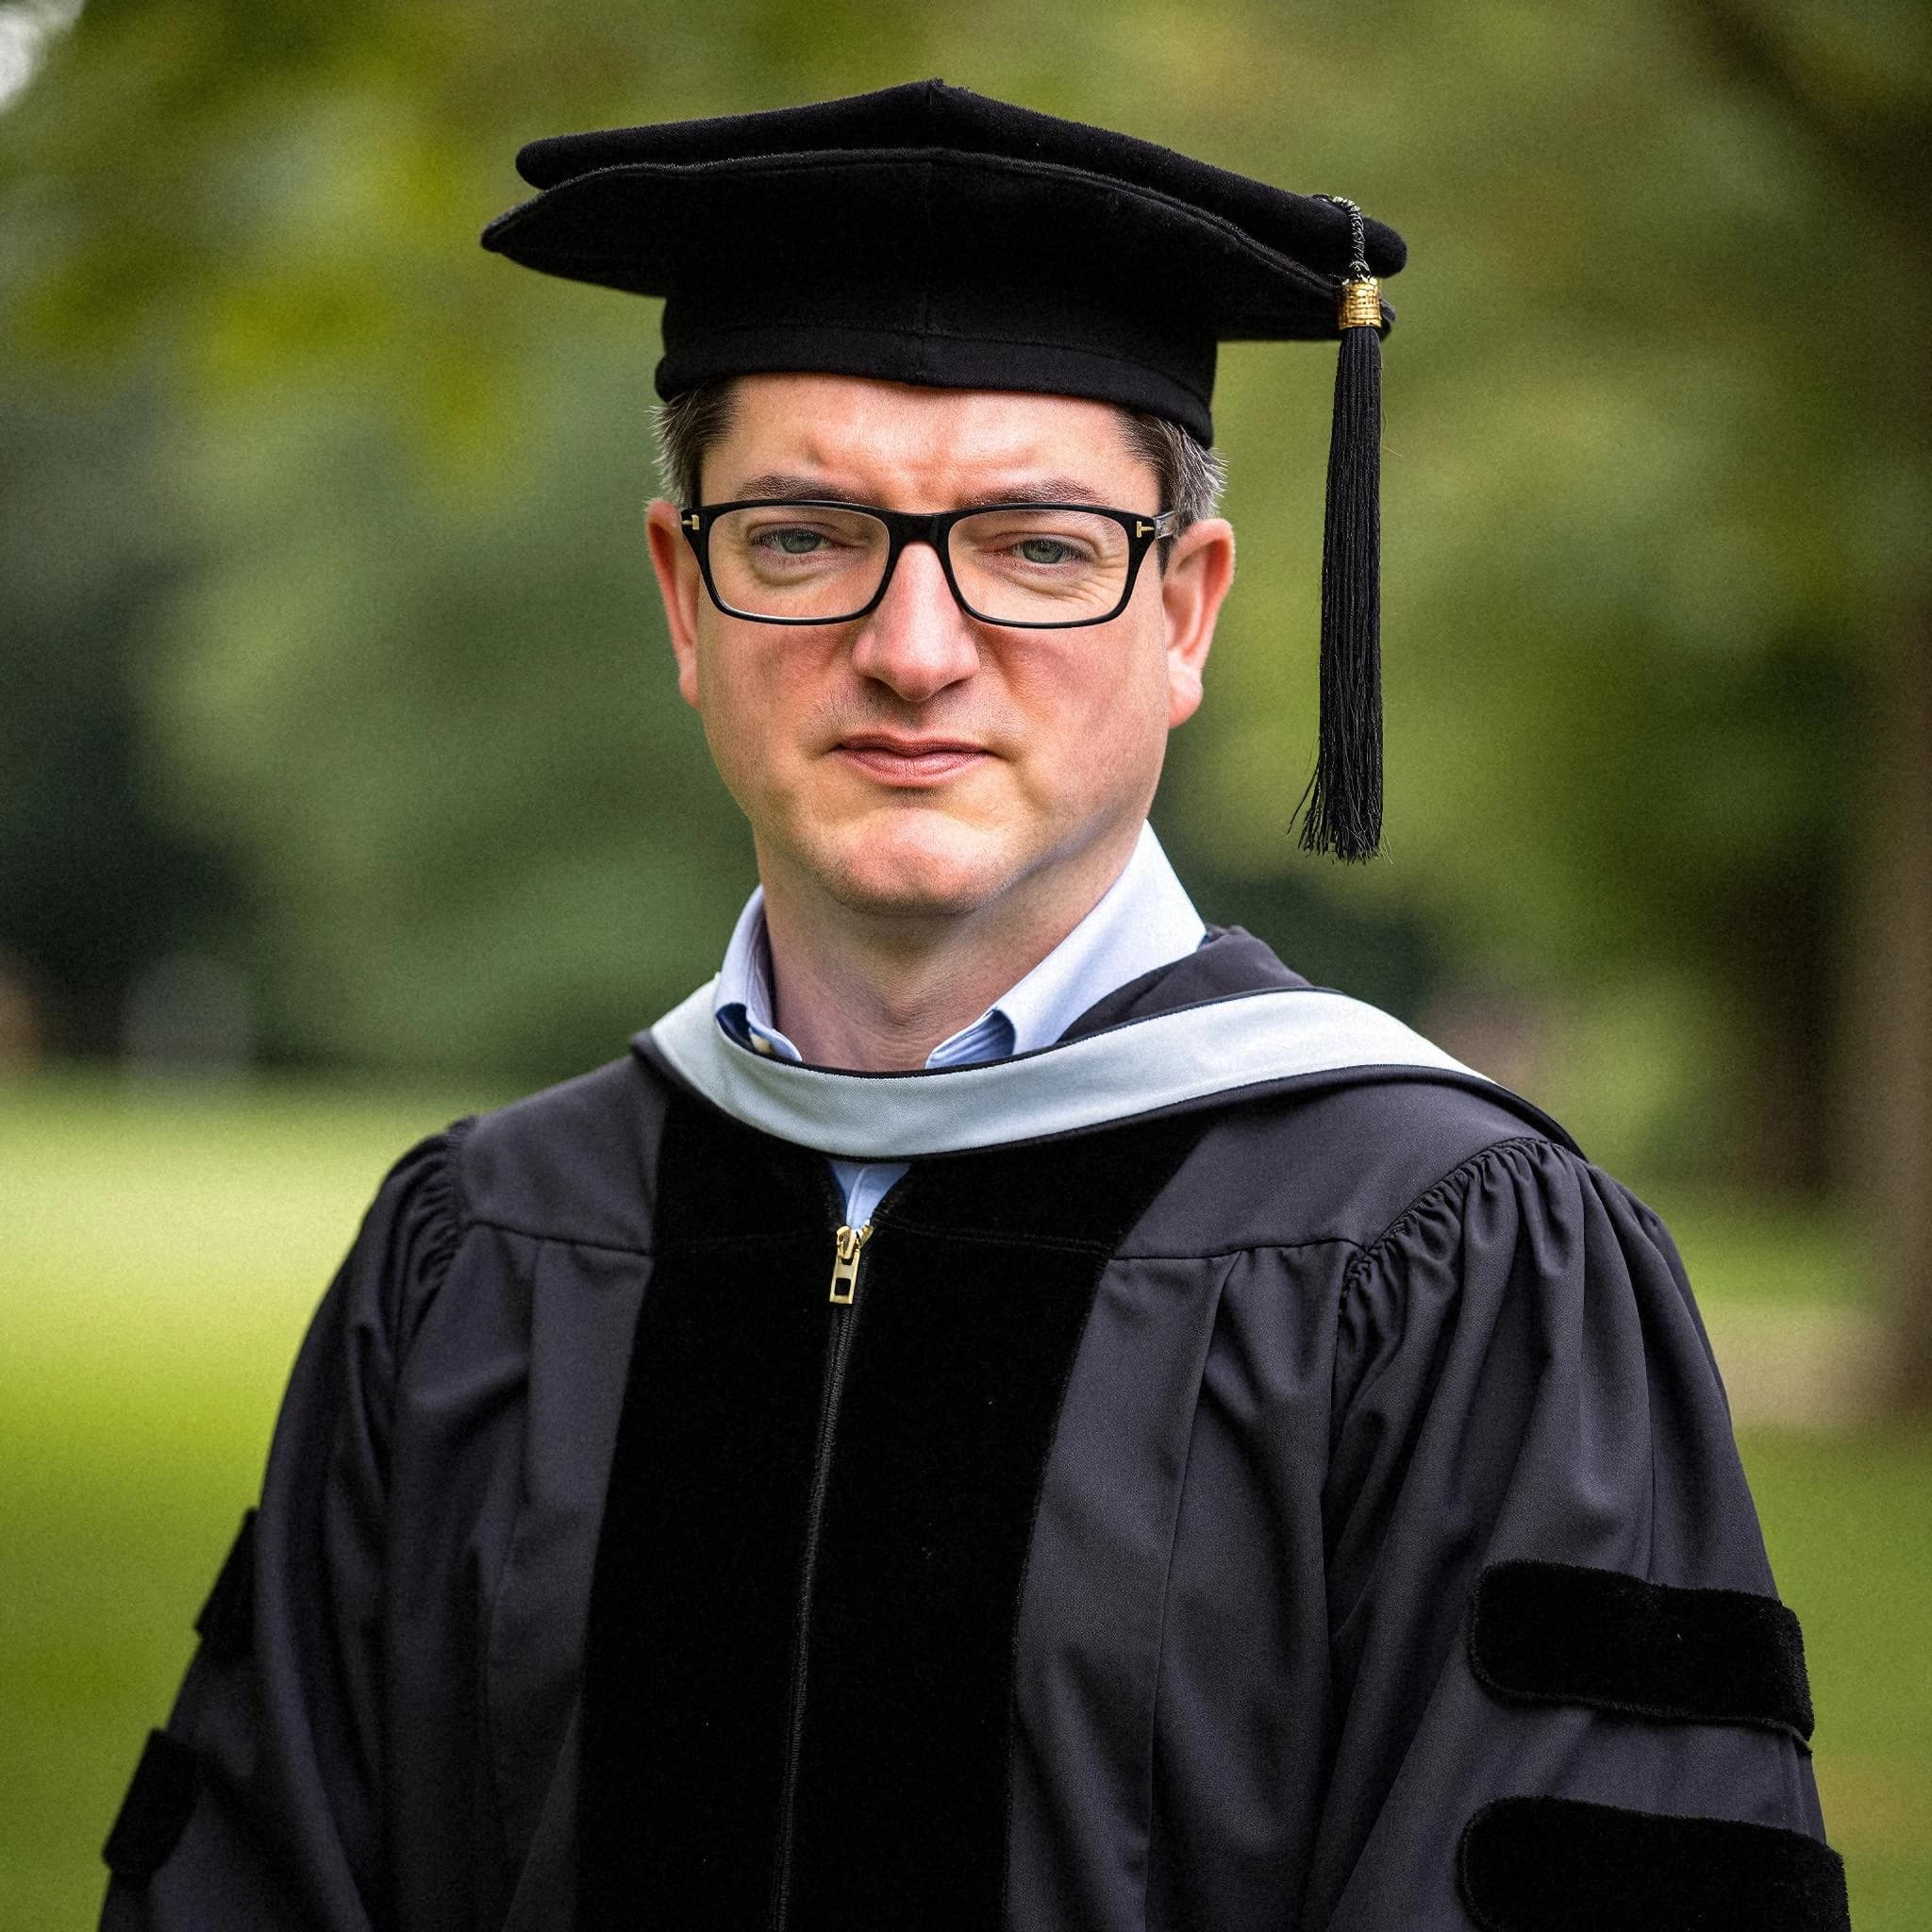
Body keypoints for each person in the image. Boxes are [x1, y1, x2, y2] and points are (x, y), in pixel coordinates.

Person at [101, 79, 1848, 1932]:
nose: (914, 650)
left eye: (1038, 546)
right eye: (802, 536)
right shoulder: (473, 1261)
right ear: (683, 594)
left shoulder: (1455, 1263)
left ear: (1185, 612)